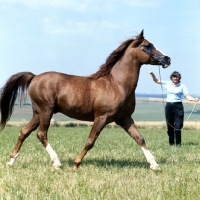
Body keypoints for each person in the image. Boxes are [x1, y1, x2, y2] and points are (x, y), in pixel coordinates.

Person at [148, 71, 199, 146]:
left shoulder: (182, 86)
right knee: (170, 126)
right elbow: (157, 80)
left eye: (176, 77)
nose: (175, 78)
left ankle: (178, 144)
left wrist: (193, 99)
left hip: (178, 106)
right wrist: (152, 74)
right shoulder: (168, 83)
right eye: (174, 77)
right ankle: (171, 143)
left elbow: (187, 96)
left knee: (178, 127)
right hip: (169, 106)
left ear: (179, 78)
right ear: (171, 77)